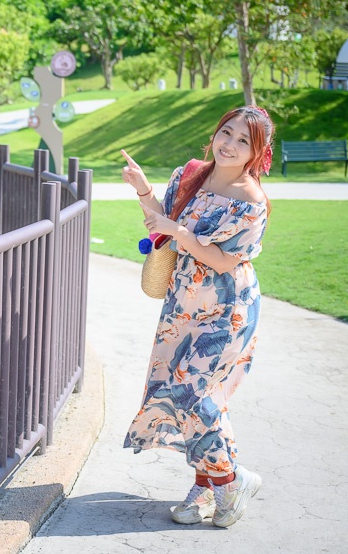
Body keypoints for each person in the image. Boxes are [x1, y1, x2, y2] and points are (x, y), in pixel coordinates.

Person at [121, 105, 275, 529]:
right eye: (227, 132)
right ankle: (206, 488)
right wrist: (142, 188)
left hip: (227, 311)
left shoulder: (251, 199)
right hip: (183, 304)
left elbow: (224, 261)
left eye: (243, 140)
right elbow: (161, 221)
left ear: (256, 151)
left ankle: (230, 479)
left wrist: (181, 233)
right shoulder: (191, 174)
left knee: (191, 394)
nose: (230, 144)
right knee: (189, 394)